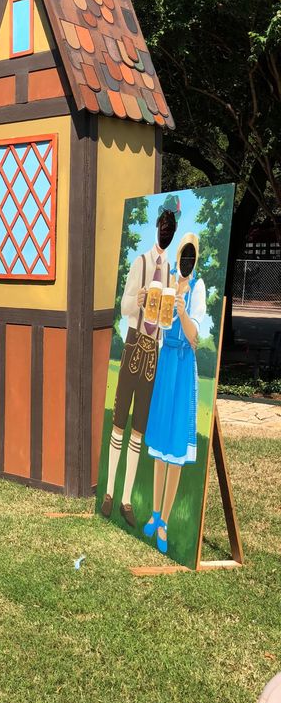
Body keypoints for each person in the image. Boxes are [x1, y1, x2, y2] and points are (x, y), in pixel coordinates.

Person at [101, 194, 181, 527]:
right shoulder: (141, 263)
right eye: (163, 227)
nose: (166, 233)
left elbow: (168, 322)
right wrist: (142, 298)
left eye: (171, 229)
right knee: (119, 420)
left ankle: (126, 499)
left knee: (138, 429)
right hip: (134, 345)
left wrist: (171, 311)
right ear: (156, 228)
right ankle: (107, 492)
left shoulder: (173, 274)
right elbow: (124, 307)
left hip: (155, 351)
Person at [142, 233, 206, 553]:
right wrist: (148, 305)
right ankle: (154, 514)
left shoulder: (198, 289)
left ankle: (165, 522)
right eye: (184, 256)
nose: (186, 262)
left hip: (183, 367)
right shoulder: (167, 282)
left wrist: (181, 309)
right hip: (166, 361)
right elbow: (156, 326)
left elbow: (195, 338)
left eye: (192, 257)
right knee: (160, 446)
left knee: (176, 450)